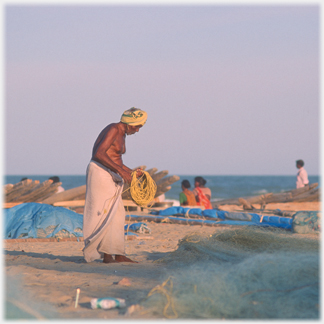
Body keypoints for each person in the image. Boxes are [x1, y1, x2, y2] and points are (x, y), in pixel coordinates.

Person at [83, 107, 147, 264]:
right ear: (129, 123)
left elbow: (116, 159)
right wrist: (121, 171)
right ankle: (108, 256)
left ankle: (115, 255)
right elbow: (98, 154)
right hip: (100, 172)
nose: (138, 130)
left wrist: (131, 172)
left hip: (109, 171)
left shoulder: (121, 133)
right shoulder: (113, 129)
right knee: (104, 213)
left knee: (117, 215)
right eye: (137, 126)